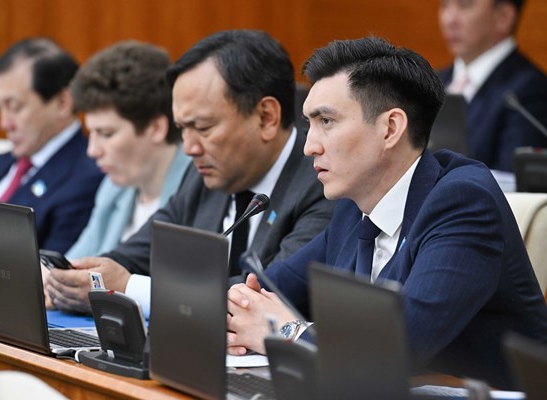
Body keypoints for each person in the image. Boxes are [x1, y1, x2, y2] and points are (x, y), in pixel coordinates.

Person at [226, 37, 547, 390]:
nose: (309, 146)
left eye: (327, 121)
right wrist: (233, 308)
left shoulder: (464, 203)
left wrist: (285, 331)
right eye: (309, 125)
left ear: (390, 128)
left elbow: (397, 348)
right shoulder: (353, 207)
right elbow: (271, 286)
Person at [46, 30, 334, 315]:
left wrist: (128, 288)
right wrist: (76, 277)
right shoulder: (205, 174)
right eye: (183, 129)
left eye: (203, 128)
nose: (189, 148)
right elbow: (137, 254)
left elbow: (267, 296)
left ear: (266, 117)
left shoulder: (323, 184)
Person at [0, 38, 103, 254]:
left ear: (62, 103)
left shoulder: (89, 177)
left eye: (14, 107)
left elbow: (53, 270)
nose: (4, 123)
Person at [63, 41, 190, 260]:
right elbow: (74, 263)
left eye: (106, 134)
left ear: (155, 128)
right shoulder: (113, 187)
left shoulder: (197, 196)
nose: (92, 151)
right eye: (91, 133)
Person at [438, 0, 547, 172]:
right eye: (444, 5)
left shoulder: (529, 90)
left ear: (503, 17)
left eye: (464, 5)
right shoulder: (432, 80)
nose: (448, 20)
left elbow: (511, 179)